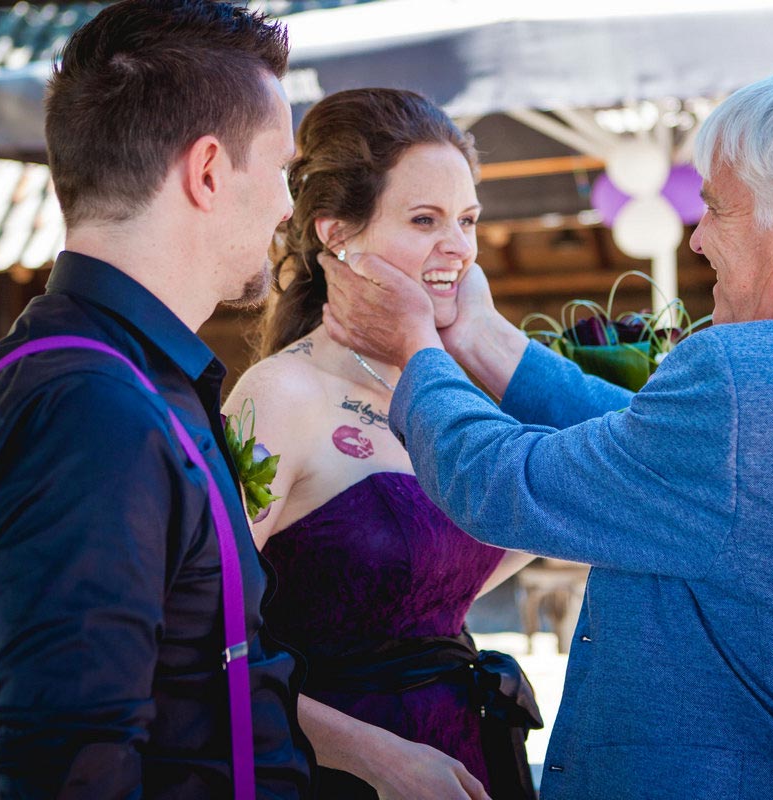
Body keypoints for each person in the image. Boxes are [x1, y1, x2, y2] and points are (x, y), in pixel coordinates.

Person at [319, 63, 773, 798]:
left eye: (718, 208)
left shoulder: (747, 379)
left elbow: (503, 485)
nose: (697, 241)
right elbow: (651, 447)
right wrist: (487, 341)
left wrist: (416, 354)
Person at [0, 4, 486, 799]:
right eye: (280, 169)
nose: (288, 210)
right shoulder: (90, 407)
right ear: (210, 171)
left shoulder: (133, 381)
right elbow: (71, 763)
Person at [223, 88, 541, 800]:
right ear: (338, 233)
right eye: (425, 219)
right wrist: (379, 759)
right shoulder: (278, 398)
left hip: (470, 751)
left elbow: (568, 495)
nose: (457, 246)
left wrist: (480, 341)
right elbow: (206, 644)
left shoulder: (452, 393)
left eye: (467, 220)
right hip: (341, 775)